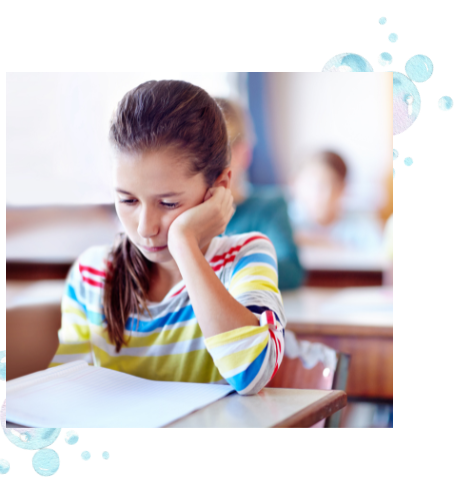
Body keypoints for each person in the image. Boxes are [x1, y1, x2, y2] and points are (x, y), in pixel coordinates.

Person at [49, 80, 286, 396]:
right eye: (128, 201)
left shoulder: (246, 256)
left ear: (219, 186)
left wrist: (184, 242)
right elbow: (67, 391)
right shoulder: (91, 274)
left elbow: (251, 374)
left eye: (169, 203)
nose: (146, 228)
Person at [215, 98, 305, 290]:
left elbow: (291, 271)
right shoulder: (183, 211)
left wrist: (215, 270)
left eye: (219, 154)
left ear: (243, 153)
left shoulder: (269, 206)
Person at [288, 151, 383, 250]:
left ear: (343, 188)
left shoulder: (361, 225)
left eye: (331, 185)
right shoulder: (284, 220)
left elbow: (378, 254)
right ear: (294, 185)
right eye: (312, 184)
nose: (321, 194)